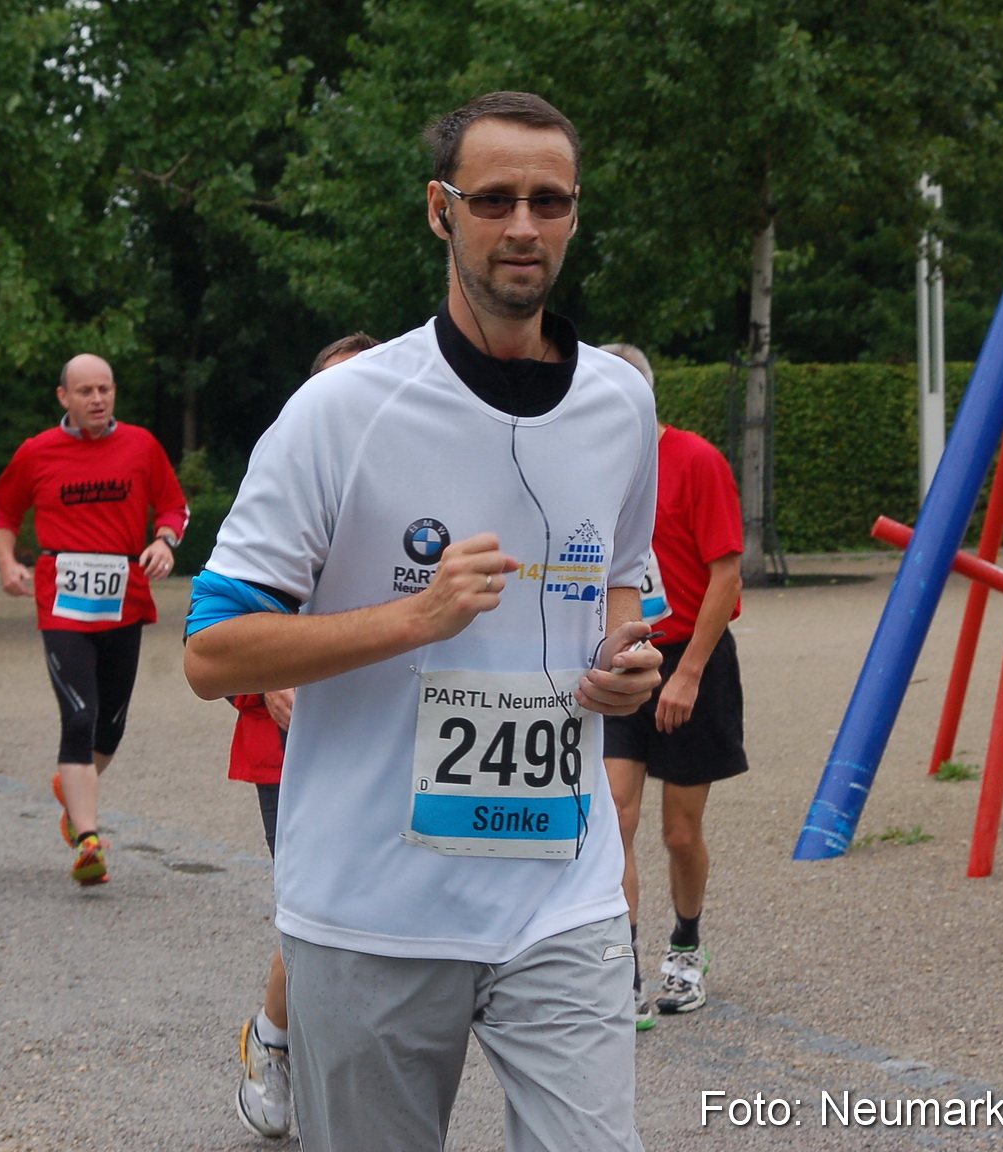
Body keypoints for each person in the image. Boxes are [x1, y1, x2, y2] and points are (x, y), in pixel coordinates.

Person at [184, 92, 663, 1152]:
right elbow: (212, 653)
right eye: (493, 199)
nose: (524, 226)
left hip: (564, 896)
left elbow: (623, 579)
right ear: (439, 213)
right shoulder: (341, 413)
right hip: (372, 909)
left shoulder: (619, 407)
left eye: (550, 200)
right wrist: (415, 617)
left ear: (576, 215)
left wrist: (623, 656)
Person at [230, 330, 377, 1140]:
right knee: (316, 910)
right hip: (288, 744)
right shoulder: (279, 480)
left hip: (397, 740)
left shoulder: (426, 477)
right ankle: (274, 1041)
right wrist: (270, 683)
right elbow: (217, 633)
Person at [0, 353, 187, 888]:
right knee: (78, 716)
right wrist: (7, 561)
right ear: (64, 398)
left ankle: (72, 792)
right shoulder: (37, 452)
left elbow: (174, 507)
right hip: (62, 600)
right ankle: (89, 838)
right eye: (85, 392)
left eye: (105, 389)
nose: (97, 400)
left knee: (110, 727)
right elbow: (1, 512)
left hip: (124, 595)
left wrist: (164, 542)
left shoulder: (142, 446)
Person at [599, 343, 746, 1023]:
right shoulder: (590, 464)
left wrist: (687, 675)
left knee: (680, 833)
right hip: (623, 657)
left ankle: (686, 947)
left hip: (693, 657)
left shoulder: (696, 461)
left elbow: (727, 575)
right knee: (613, 821)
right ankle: (621, 966)